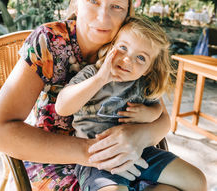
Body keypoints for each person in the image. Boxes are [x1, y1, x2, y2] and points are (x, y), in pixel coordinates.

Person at [0, 0, 187, 191]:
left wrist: (139, 136)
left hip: (122, 157)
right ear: (76, 2)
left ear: (128, 15)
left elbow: (161, 117)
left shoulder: (128, 48)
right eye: (93, 2)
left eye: (116, 7)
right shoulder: (49, 42)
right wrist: (93, 153)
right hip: (56, 157)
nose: (103, 17)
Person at [55, 16, 207, 191]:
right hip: (99, 159)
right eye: (123, 48)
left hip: (141, 152)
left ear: (149, 68)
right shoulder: (92, 73)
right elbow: (62, 107)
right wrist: (100, 79)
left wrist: (148, 114)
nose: (127, 59)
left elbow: (158, 109)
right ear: (111, 47)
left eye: (141, 58)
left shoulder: (144, 84)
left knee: (197, 181)